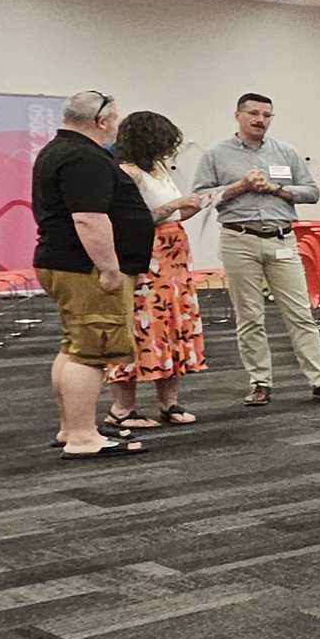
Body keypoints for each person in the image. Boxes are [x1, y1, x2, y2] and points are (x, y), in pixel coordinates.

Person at [189, 92, 320, 406]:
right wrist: (239, 187)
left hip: (282, 237)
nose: (260, 120)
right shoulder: (216, 155)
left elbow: (311, 192)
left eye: (266, 115)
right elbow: (200, 197)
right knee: (250, 316)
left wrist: (277, 189)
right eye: (254, 114)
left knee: (300, 313)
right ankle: (260, 382)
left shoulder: (286, 152)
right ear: (238, 116)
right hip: (238, 237)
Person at [34, 91, 156, 460]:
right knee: (91, 353)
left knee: (74, 347)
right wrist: (108, 268)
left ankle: (72, 426)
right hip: (84, 267)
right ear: (102, 121)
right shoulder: (83, 156)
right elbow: (89, 217)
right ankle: (83, 437)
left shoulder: (58, 150)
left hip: (64, 262)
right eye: (115, 119)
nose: (117, 126)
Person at [103, 111, 209, 430]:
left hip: (173, 257)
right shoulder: (128, 172)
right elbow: (131, 219)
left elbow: (171, 212)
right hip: (145, 255)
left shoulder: (159, 168)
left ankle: (169, 402)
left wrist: (190, 206)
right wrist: (175, 206)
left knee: (173, 324)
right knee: (140, 325)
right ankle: (123, 408)